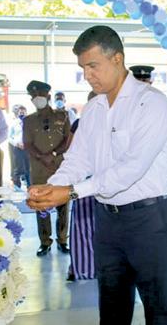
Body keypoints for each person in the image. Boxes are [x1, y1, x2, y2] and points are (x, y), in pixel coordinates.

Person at [26, 25, 167, 324]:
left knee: (160, 310)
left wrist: (70, 192)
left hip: (150, 221)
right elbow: (77, 160)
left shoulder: (152, 104)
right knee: (112, 307)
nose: (88, 75)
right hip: (108, 221)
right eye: (83, 68)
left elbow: (130, 170)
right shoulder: (94, 109)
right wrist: (51, 187)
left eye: (93, 66)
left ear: (117, 59)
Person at [23, 80, 72, 257]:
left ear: (48, 96)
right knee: (40, 205)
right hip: (39, 169)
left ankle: (63, 239)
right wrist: (41, 157)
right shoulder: (28, 121)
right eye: (34, 96)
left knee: (63, 205)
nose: (37, 99)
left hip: (60, 167)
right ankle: (45, 241)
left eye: (40, 95)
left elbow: (68, 140)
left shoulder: (63, 116)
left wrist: (51, 155)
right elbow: (27, 144)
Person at [66, 91, 99, 282]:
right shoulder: (80, 123)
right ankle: (84, 269)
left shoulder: (116, 122)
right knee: (83, 226)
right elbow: (71, 152)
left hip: (108, 184)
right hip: (85, 182)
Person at [8, 104, 30, 190]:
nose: (22, 113)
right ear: (18, 113)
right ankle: (17, 188)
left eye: (24, 112)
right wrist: (16, 143)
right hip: (17, 148)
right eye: (20, 112)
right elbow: (9, 137)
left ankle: (30, 187)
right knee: (17, 169)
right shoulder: (14, 123)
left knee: (29, 169)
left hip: (28, 148)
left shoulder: (30, 123)